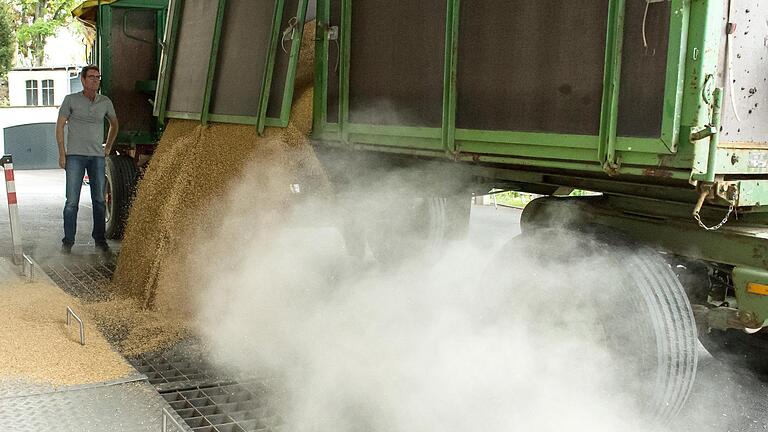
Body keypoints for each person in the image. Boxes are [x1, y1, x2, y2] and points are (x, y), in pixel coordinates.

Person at [56, 65, 119, 254]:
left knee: (99, 200)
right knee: (72, 202)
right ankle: (68, 242)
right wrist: (62, 153)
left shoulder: (105, 102)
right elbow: (59, 127)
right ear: (83, 80)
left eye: (98, 77)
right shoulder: (71, 100)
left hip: (97, 158)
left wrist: (107, 147)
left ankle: (100, 240)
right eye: (91, 77)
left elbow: (114, 124)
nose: (95, 80)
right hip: (75, 156)